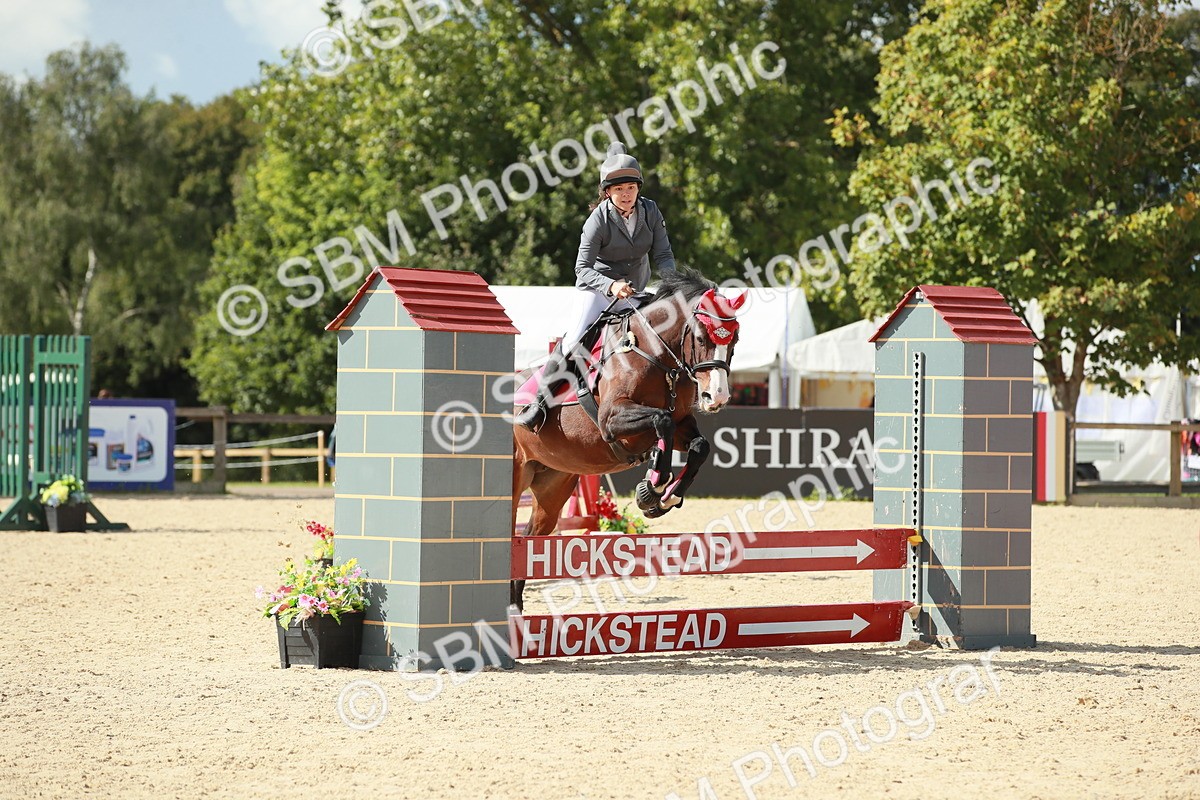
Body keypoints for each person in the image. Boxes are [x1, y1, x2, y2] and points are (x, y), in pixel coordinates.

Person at [515, 142, 677, 430]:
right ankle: (538, 404)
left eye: (630, 187)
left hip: (635, 291)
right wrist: (611, 286)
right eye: (618, 189)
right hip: (597, 291)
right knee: (575, 336)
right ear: (607, 192)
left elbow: (663, 254)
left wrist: (672, 287)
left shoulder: (651, 211)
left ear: (638, 188)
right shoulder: (598, 219)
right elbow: (582, 268)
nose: (626, 194)